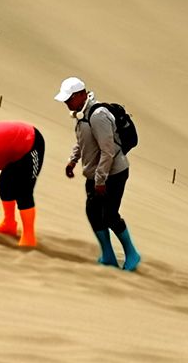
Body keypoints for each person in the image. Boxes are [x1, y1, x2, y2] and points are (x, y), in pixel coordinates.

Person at [54, 76, 141, 271]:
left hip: (114, 174)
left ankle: (132, 254)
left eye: (69, 99)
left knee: (109, 215)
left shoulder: (98, 115)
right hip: (96, 175)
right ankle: (108, 255)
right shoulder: (82, 115)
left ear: (80, 95)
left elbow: (107, 150)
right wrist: (73, 160)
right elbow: (83, 141)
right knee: (93, 213)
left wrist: (100, 180)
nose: (66, 103)